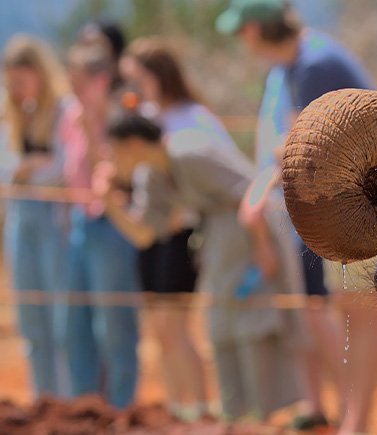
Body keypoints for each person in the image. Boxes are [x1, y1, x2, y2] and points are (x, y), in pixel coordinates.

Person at [215, 0, 377, 432]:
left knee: (356, 313)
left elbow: (304, 146)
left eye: (243, 30)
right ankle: (348, 418)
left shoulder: (316, 66)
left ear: (255, 29)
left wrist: (270, 171)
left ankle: (357, 423)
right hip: (333, 207)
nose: (242, 39)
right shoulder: (294, 66)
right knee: (332, 311)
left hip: (359, 205)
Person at [117, 37, 215, 420]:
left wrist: (186, 210)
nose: (132, 89)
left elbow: (208, 178)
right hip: (153, 235)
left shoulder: (192, 116)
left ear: (158, 76)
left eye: (136, 79)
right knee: (160, 329)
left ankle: (201, 408)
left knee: (178, 327)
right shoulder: (147, 116)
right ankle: (178, 408)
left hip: (181, 235)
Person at [61, 33, 141, 410]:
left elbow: (109, 175)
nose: (74, 91)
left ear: (101, 81)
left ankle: (121, 407)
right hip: (80, 223)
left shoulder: (121, 116)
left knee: (114, 326)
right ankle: (85, 403)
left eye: (80, 83)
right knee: (75, 324)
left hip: (111, 227)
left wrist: (93, 128)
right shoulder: (72, 118)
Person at [0, 34, 73, 399]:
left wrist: (29, 169)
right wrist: (30, 166)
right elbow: (6, 167)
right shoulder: (10, 114)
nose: (15, 88)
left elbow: (62, 169)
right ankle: (42, 397)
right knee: (31, 318)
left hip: (54, 217)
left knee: (60, 314)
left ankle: (65, 398)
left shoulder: (63, 110)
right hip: (20, 217)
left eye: (21, 79)